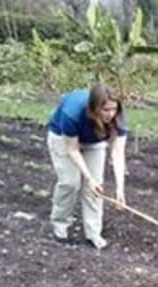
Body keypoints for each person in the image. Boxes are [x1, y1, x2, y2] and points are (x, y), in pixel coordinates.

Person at [47, 83, 128, 249]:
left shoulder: (118, 119)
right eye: (105, 110)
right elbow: (73, 149)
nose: (110, 114)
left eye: (113, 109)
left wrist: (120, 189)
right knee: (71, 183)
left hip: (94, 141)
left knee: (95, 188)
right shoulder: (73, 114)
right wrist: (88, 178)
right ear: (94, 108)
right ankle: (60, 225)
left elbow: (118, 153)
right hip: (63, 139)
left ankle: (93, 233)